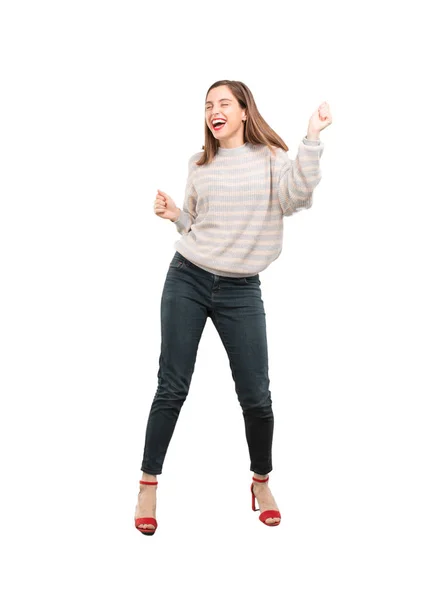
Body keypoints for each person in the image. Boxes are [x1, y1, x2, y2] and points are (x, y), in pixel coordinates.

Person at [134, 80, 332, 535]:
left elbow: (296, 197)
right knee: (172, 385)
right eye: (208, 105)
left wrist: (313, 137)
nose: (213, 111)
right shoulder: (200, 164)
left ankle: (260, 482)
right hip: (187, 277)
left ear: (244, 111)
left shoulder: (270, 160)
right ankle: (148, 483)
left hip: (242, 291)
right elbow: (197, 226)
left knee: (256, 396)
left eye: (224, 103)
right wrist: (176, 215)